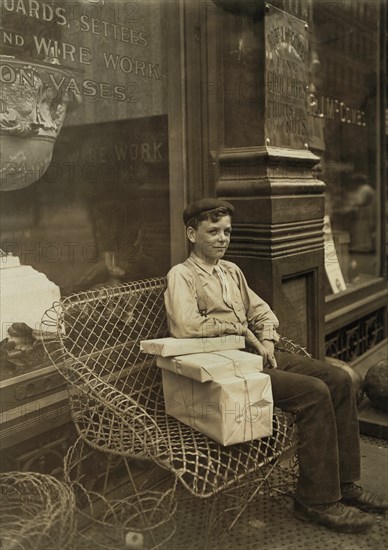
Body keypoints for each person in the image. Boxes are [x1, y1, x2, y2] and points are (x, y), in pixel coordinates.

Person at [164, 197, 387, 533]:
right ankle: (315, 500)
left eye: (226, 231)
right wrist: (239, 330)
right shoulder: (182, 275)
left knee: (338, 379)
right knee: (313, 392)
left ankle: (344, 484)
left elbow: (264, 312)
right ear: (192, 234)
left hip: (254, 356)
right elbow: (185, 325)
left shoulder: (231, 271)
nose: (222, 238)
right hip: (221, 370)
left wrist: (266, 339)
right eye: (213, 231)